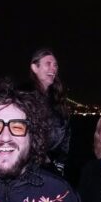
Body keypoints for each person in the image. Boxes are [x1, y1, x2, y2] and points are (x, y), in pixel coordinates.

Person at [28, 48, 70, 176]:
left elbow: (66, 133)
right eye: (48, 64)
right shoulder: (23, 98)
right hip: (29, 166)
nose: (53, 68)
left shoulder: (58, 99)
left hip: (52, 166)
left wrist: (60, 163)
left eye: (55, 65)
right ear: (35, 68)